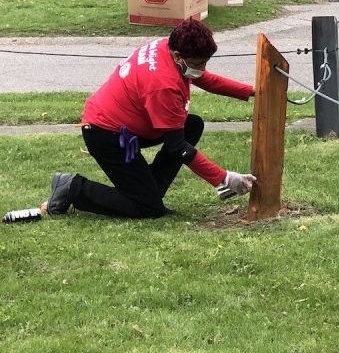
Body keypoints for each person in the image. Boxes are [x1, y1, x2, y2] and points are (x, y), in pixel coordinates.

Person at [43, 18, 257, 219]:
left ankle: (148, 192)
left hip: (122, 125)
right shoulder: (163, 85)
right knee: (146, 208)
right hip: (105, 134)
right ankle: (72, 187)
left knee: (192, 125)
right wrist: (224, 178)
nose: (201, 69)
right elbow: (177, 148)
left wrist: (251, 91)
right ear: (177, 55)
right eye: (197, 63)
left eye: (205, 62)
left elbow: (202, 77)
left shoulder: (167, 45)